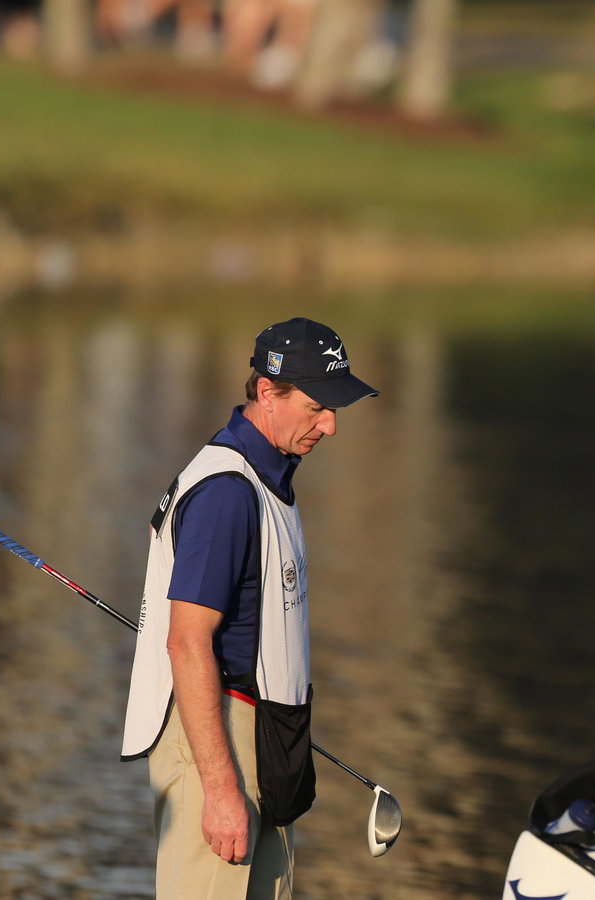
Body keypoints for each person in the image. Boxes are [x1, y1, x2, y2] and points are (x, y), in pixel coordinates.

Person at [121, 318, 378, 898]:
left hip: (265, 742)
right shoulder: (226, 491)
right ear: (268, 392)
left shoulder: (268, 478)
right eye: (317, 408)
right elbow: (186, 642)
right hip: (217, 741)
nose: (330, 425)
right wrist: (220, 791)